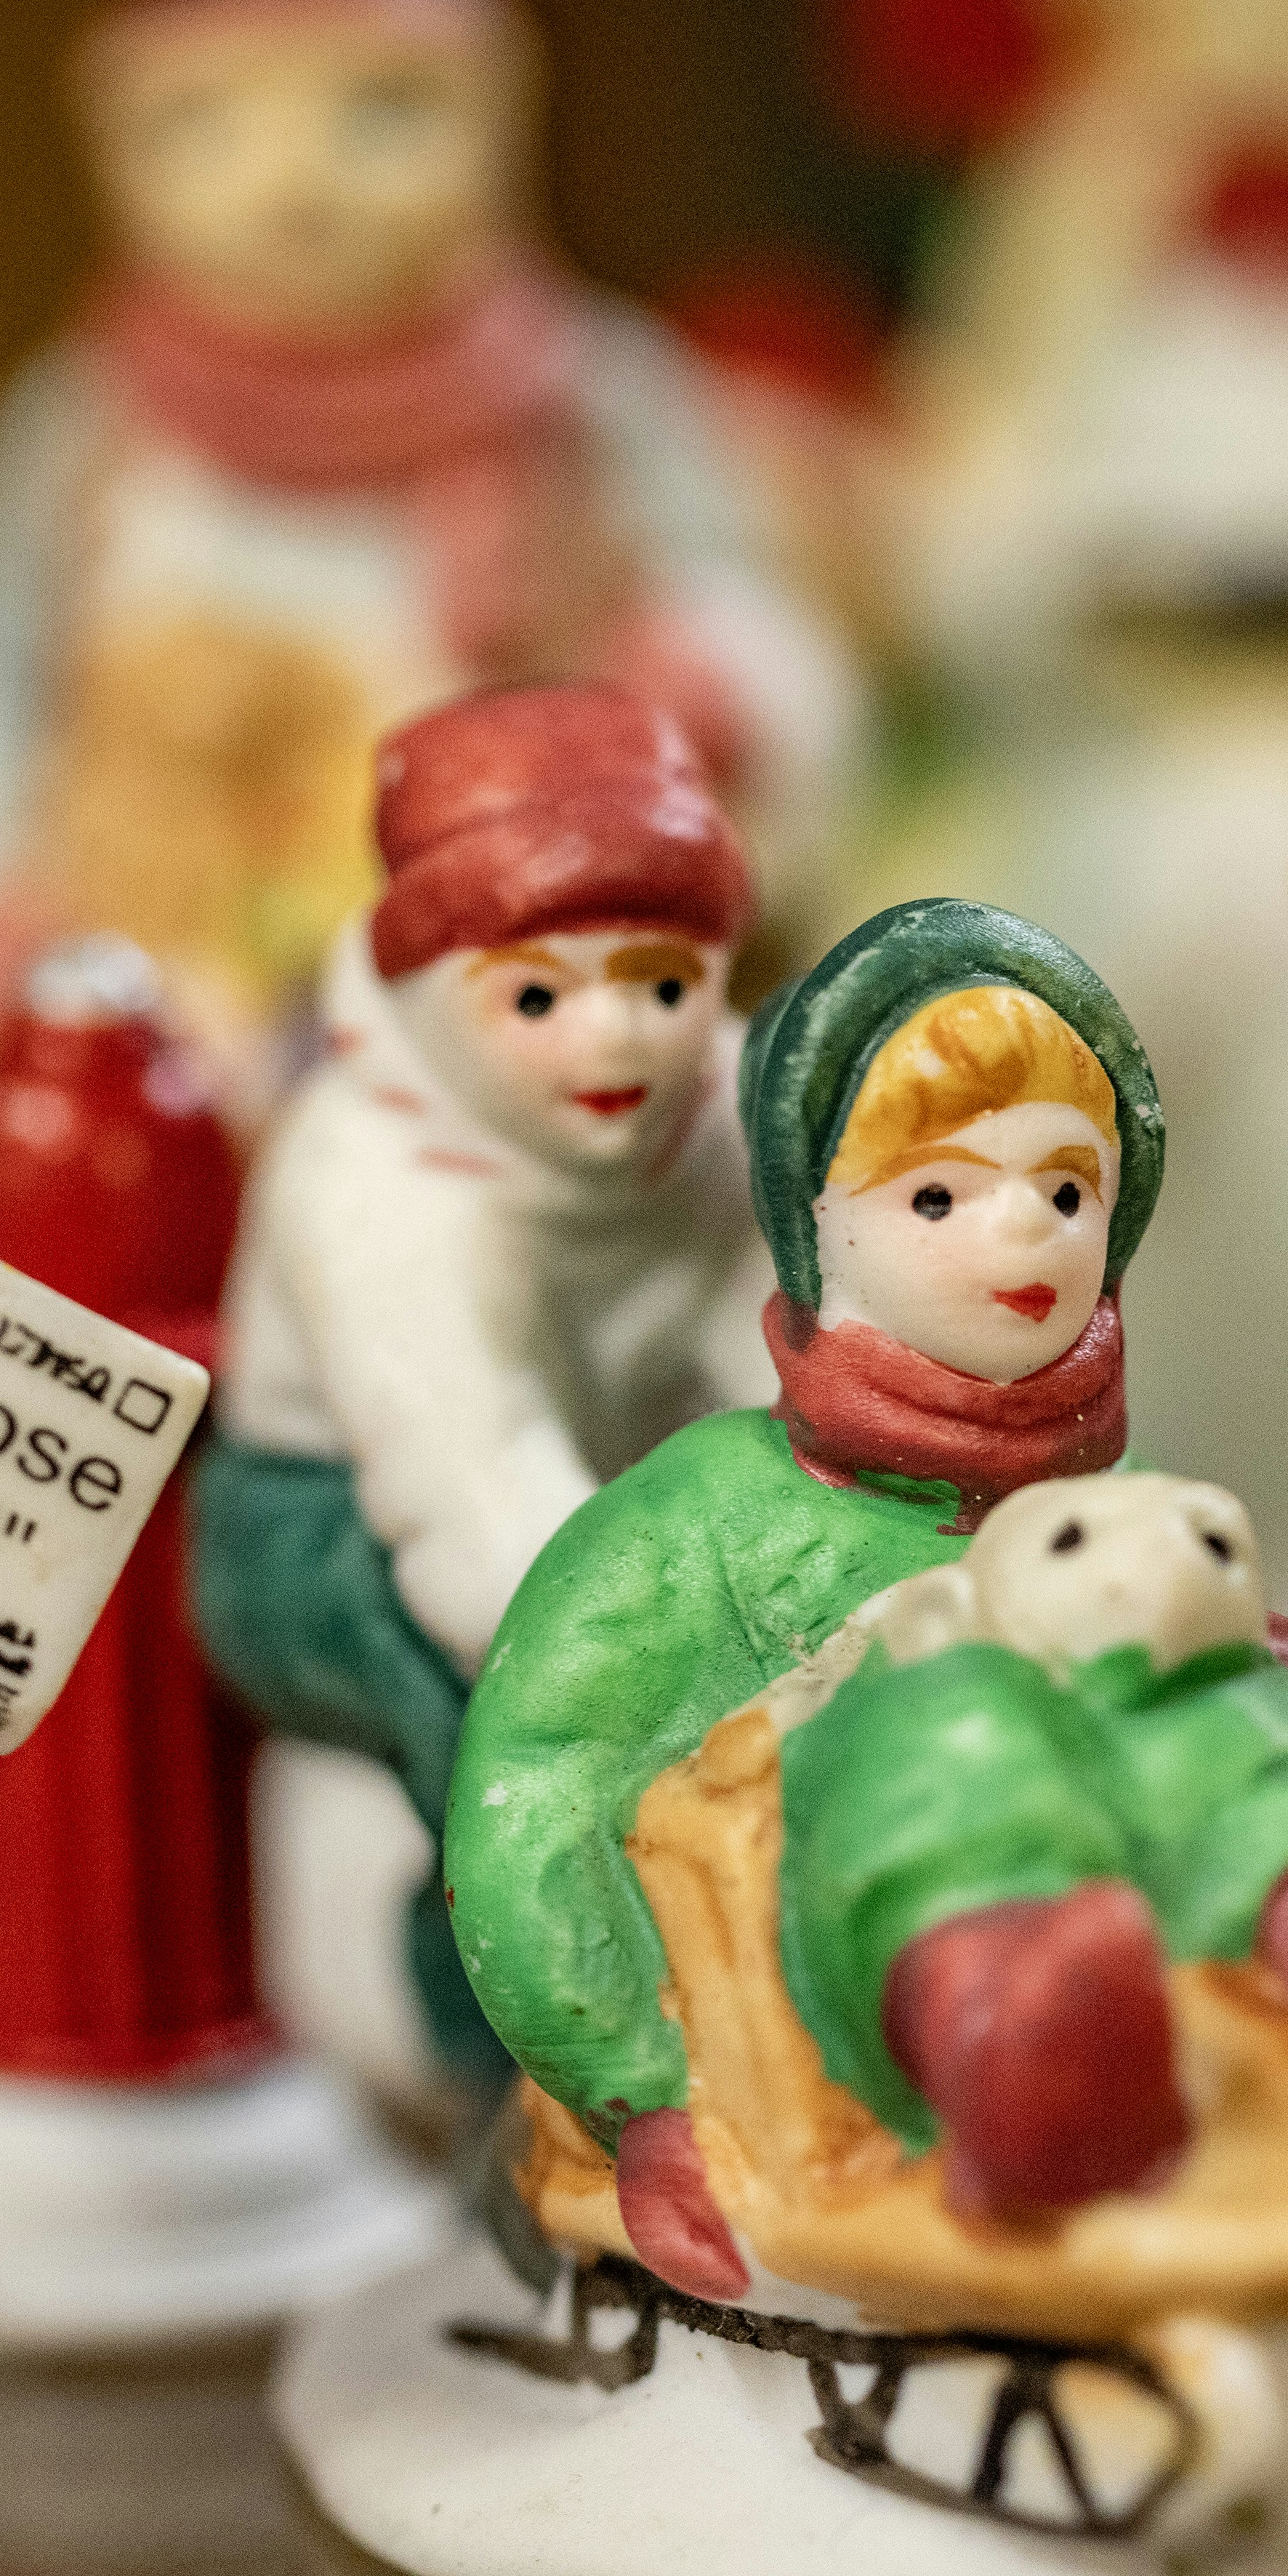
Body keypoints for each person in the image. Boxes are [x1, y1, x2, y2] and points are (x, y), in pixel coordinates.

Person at [444, 898, 1288, 2294]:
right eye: (936, 1196)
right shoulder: (699, 1522)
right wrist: (640, 2089)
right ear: (815, 1231)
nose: (1021, 1237)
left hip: (1162, 1971)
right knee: (955, 1707)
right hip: (833, 2010)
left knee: (1228, 1673)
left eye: (1067, 1189)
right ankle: (1015, 2035)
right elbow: (533, 1793)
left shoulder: (1128, 1502)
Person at [0, 0, 849, 1104]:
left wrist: (681, 703)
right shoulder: (80, 430)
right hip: (171, 1025)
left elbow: (763, 644)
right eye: (207, 125)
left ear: (496, 108)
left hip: (519, 1028)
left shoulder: (588, 399)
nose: (294, 186)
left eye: (381, 112)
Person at [192, 684, 770, 2082]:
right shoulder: (379, 1185)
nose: (615, 1043)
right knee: (510, 1748)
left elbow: (795, 1325)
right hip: (330, 1521)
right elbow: (474, 1492)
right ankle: (511, 2062)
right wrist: (654, 1688)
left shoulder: (728, 1105)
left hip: (638, 1495)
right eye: (533, 997)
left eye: (660, 983)